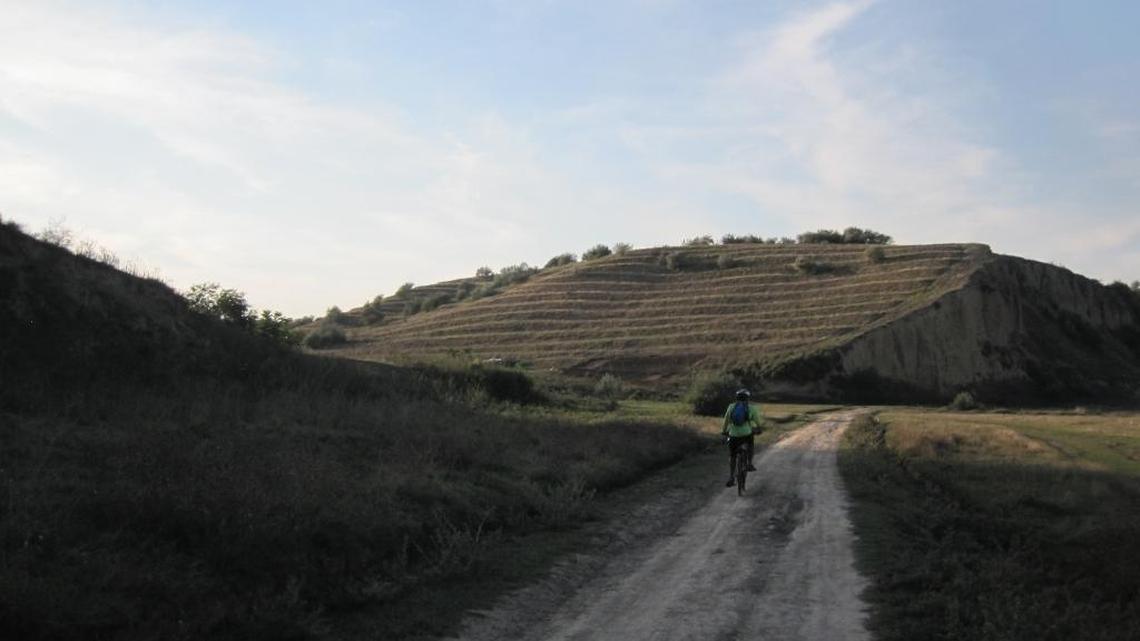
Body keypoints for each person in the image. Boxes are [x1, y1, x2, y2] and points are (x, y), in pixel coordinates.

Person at [721, 388, 761, 487]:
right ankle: (749, 464)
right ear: (747, 398)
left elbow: (726, 420)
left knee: (732, 456)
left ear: (737, 398)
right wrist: (759, 428)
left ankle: (731, 477)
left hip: (733, 434)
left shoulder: (731, 407)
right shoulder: (752, 408)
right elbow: (757, 421)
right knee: (751, 446)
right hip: (746, 434)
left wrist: (724, 431)